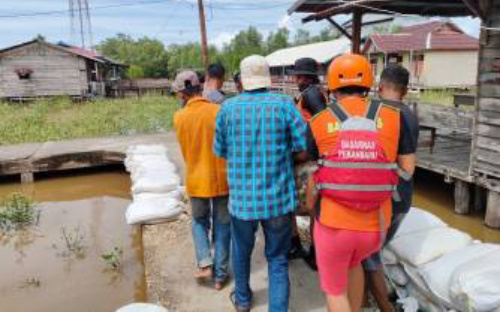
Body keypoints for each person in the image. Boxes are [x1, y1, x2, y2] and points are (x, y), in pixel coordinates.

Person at [306, 54, 415, 312]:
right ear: (369, 82)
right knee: (354, 265)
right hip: (376, 225)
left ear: (332, 84)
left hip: (334, 225)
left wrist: (312, 205)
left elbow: (315, 169)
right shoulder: (393, 116)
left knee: (335, 292)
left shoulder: (318, 120)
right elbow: (407, 169)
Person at [214, 55, 308, 312]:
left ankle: (243, 300)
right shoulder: (285, 106)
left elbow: (221, 151)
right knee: (277, 259)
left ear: (243, 80)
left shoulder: (227, 109)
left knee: (241, 251)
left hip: (243, 202)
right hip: (277, 201)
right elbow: (303, 150)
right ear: (268, 78)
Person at [363, 64, 419, 312]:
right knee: (371, 251)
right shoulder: (409, 114)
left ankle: (384, 305)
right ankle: (364, 298)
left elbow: (407, 166)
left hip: (383, 196)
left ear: (379, 86)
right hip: (402, 198)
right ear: (405, 91)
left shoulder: (375, 113)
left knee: (369, 254)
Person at [172, 70, 231, 291]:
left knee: (198, 222)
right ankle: (220, 276)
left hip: (197, 179)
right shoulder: (219, 111)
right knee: (223, 226)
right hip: (223, 179)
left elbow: (186, 150)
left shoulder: (180, 117)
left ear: (181, 94)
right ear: (200, 87)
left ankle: (205, 262)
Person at [287, 57, 327, 270]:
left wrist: (307, 152)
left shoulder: (311, 94)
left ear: (303, 76)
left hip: (308, 160)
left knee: (311, 210)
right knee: (308, 208)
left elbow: (321, 122)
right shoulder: (308, 92)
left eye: (297, 74)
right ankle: (303, 247)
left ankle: (314, 254)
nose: (295, 78)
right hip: (305, 156)